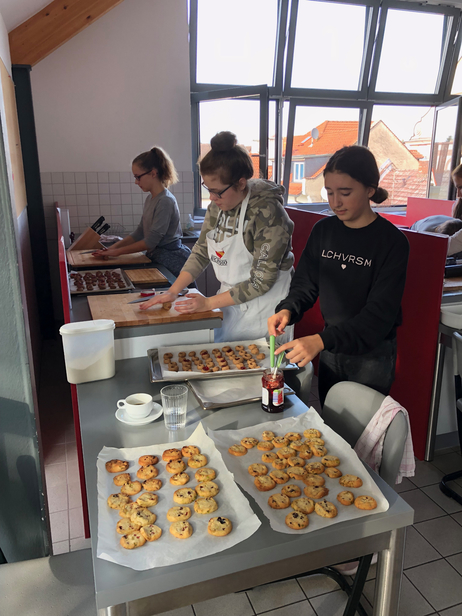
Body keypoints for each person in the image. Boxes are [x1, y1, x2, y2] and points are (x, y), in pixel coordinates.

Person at [268, 145, 410, 406]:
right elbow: (305, 285)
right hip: (332, 348)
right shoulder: (324, 231)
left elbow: (377, 317)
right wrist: (288, 309)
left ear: (370, 189)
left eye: (345, 192)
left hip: (372, 356)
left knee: (365, 439)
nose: (335, 202)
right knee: (333, 428)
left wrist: (321, 340)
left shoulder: (392, 242)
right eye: (330, 192)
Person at [140, 131, 295, 343]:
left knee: (261, 370)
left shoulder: (268, 214)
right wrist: (173, 291)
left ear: (241, 183)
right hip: (230, 301)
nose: (212, 198)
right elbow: (201, 251)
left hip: (265, 308)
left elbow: (261, 281)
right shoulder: (218, 206)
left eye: (218, 192)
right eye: (208, 190)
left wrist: (208, 303)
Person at [92, 147, 191, 276]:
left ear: (153, 173)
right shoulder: (151, 198)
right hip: (157, 256)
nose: (136, 182)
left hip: (170, 260)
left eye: (138, 177)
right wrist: (112, 248)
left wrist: (116, 253)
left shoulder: (165, 201)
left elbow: (150, 241)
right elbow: (139, 232)